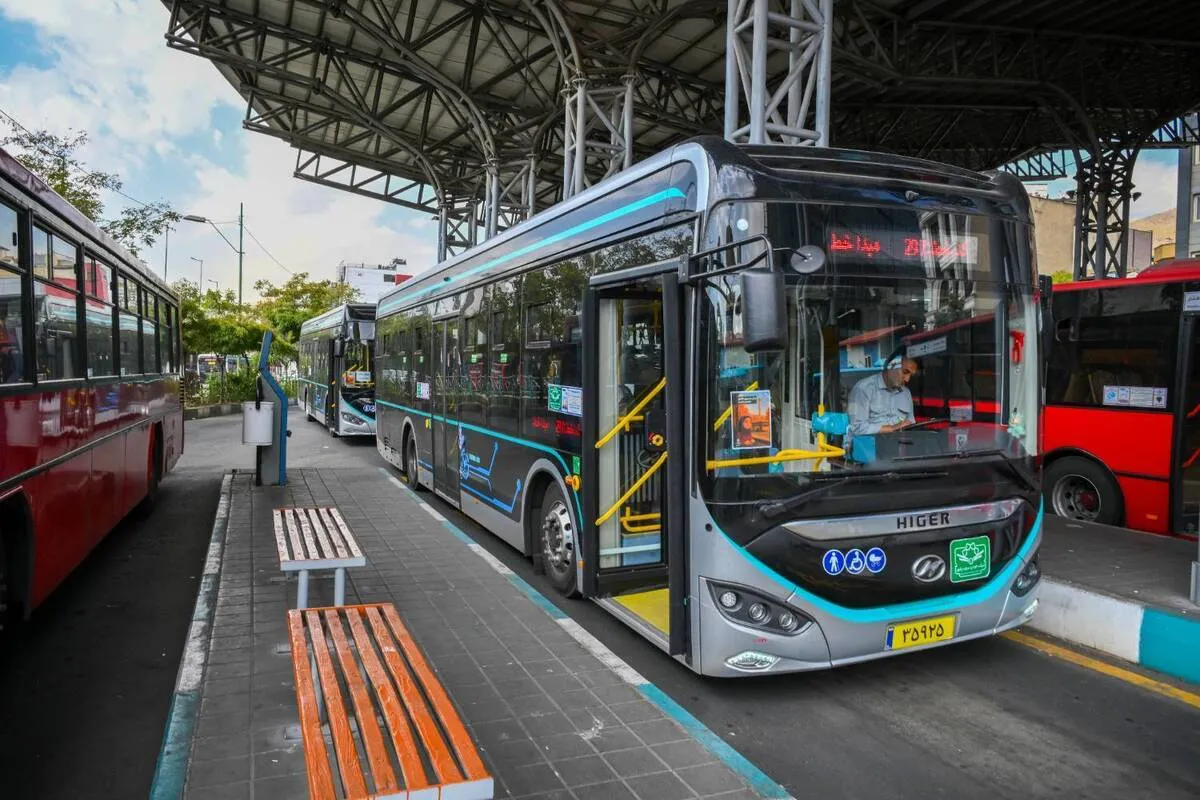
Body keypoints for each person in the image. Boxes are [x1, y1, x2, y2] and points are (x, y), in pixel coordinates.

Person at [846, 356, 918, 457]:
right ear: (891, 366)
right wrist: (893, 428)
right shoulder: (863, 389)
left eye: (911, 375)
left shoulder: (906, 393)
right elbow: (857, 427)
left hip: (897, 454)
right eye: (905, 372)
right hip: (867, 455)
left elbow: (911, 423)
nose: (907, 379)